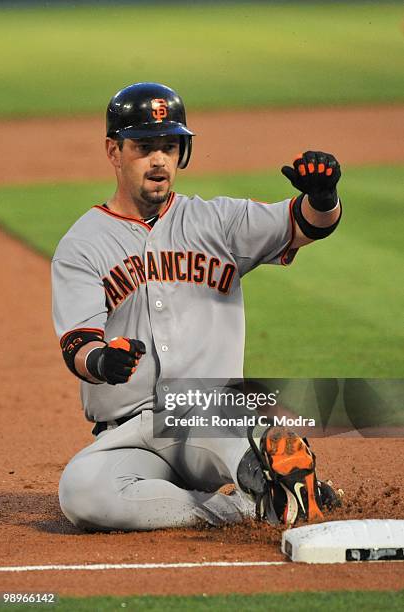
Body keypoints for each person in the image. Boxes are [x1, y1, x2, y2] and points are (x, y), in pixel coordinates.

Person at [52, 82, 342, 531]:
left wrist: (322, 200)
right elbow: (78, 345)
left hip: (210, 414)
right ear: (114, 151)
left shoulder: (218, 221)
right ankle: (248, 507)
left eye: (169, 147)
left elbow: (302, 224)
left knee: (239, 437)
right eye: (145, 147)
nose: (159, 161)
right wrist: (105, 361)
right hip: (133, 435)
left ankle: (266, 467)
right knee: (82, 492)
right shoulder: (82, 245)